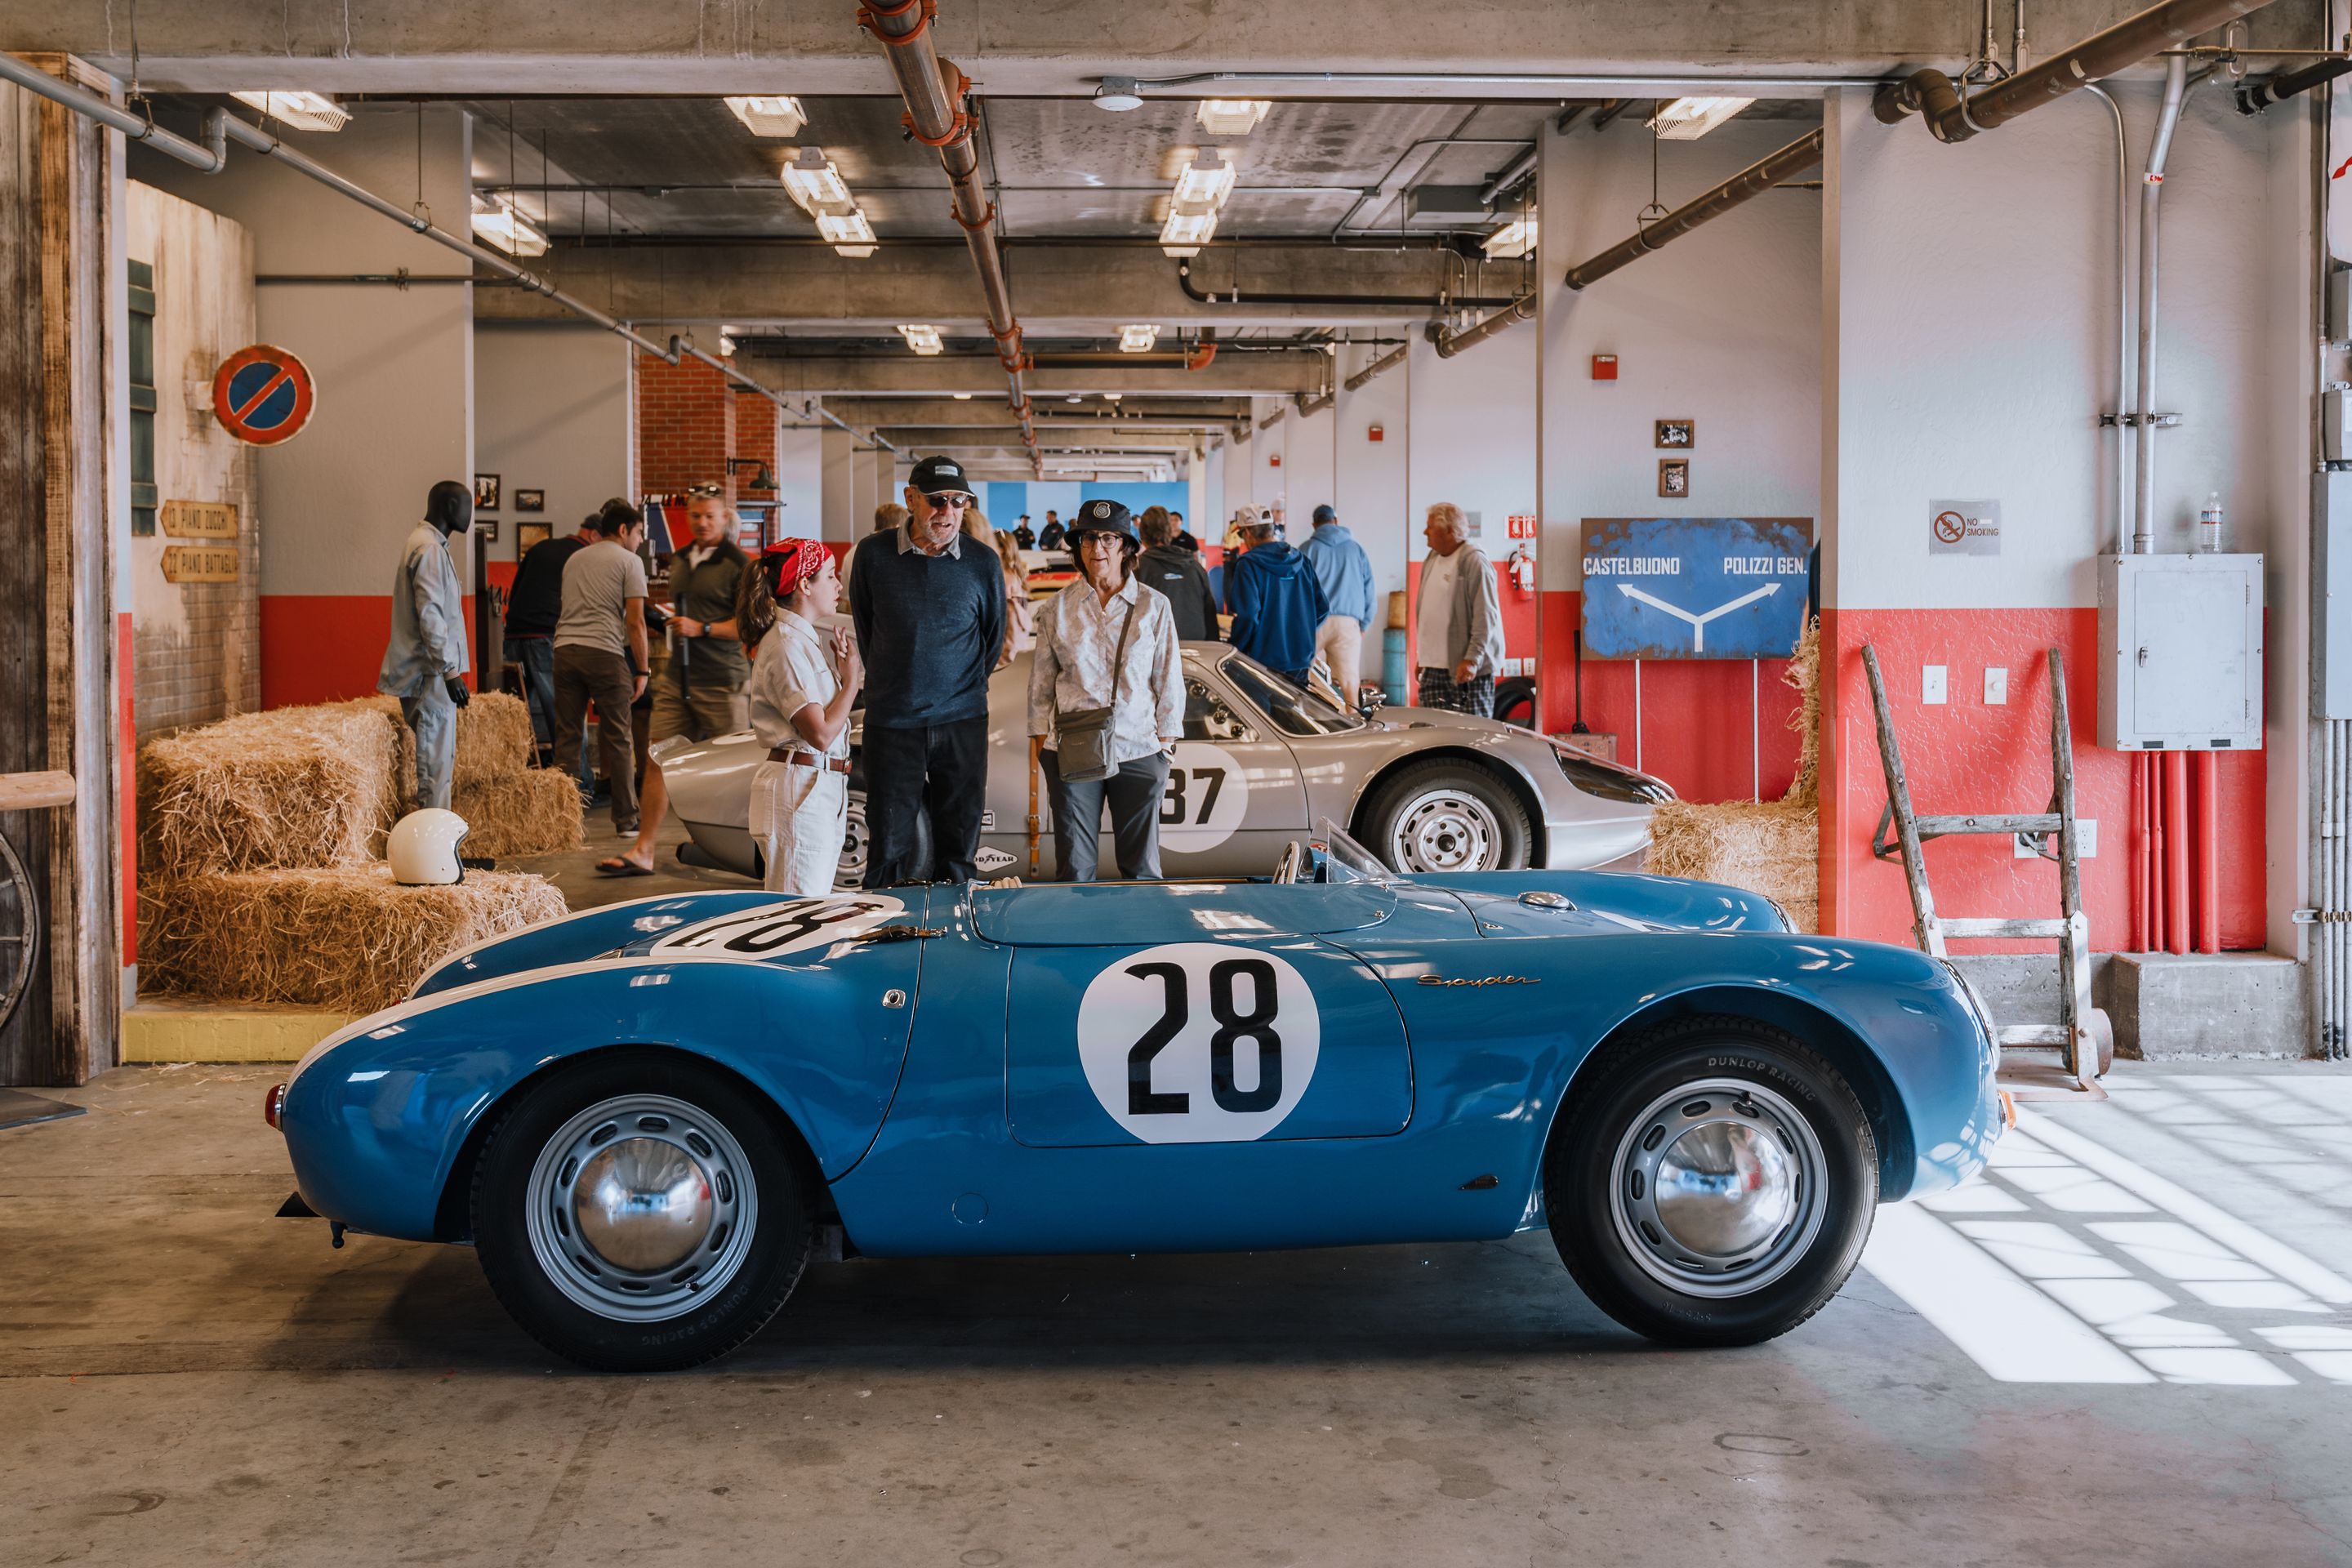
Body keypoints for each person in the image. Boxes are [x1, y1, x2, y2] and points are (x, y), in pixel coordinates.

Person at [848, 454, 1005, 887]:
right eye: (937, 500)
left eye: (958, 501)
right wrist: (898, 684)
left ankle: (958, 926)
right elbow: (867, 629)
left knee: (959, 848)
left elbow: (992, 639)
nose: (947, 511)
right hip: (892, 721)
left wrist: (956, 688)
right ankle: (886, 925)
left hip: (962, 720)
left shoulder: (982, 562)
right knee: (888, 847)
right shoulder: (873, 555)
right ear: (911, 498)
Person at [1028, 499, 1183, 882]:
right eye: (1088, 539)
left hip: (1139, 748)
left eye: (1109, 539)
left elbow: (1168, 677)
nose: (1097, 548)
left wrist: (1165, 747)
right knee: (1075, 870)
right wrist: (1042, 745)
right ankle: (1078, 922)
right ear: (1078, 547)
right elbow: (1041, 685)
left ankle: (1142, 925)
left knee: (1142, 871)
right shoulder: (1056, 609)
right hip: (1073, 749)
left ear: (1126, 547)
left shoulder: (1154, 606)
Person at [609, 484, 751, 875]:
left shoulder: (739, 564)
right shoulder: (682, 559)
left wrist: (701, 628)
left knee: (734, 772)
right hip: (677, 678)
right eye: (696, 515)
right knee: (659, 759)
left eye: (710, 516)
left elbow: (749, 625)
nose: (702, 523)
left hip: (723, 681)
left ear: (724, 517)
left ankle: (744, 854)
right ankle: (643, 850)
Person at [746, 540, 862, 895]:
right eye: (830, 576)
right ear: (804, 585)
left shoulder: (800, 640)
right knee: (798, 911)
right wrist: (851, 681)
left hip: (815, 784)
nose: (838, 585)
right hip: (801, 788)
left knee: (811, 905)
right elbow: (821, 734)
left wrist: (843, 677)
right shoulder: (786, 645)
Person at [552, 502, 651, 844]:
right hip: (604, 654)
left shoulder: (575, 559)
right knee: (618, 737)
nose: (641, 540)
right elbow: (636, 622)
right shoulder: (630, 561)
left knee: (567, 738)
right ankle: (626, 820)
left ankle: (563, 823)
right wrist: (643, 669)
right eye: (639, 533)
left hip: (564, 652)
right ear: (623, 530)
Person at [376, 479, 474, 810]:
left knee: (438, 766)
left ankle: (438, 835)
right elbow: (430, 615)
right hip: (430, 675)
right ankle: (435, 839)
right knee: (435, 768)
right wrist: (450, 671)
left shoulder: (430, 544)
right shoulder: (429, 548)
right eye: (466, 505)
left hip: (432, 673)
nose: (470, 514)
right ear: (450, 507)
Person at [504, 511, 599, 785]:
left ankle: (513, 779)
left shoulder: (541, 547)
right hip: (545, 635)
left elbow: (515, 591)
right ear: (594, 535)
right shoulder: (584, 557)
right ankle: (579, 785)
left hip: (514, 634)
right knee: (564, 713)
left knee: (514, 714)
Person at [1415, 501, 1505, 716]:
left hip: (1467, 669)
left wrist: (1473, 658)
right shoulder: (1432, 559)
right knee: (1431, 731)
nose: (1425, 532)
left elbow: (1486, 615)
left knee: (1473, 731)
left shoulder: (1474, 561)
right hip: (1434, 669)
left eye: (1430, 527)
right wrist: (1425, 657)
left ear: (1449, 531)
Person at [1226, 513, 1328, 686]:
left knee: (1258, 704)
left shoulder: (1248, 564)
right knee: (1295, 704)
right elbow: (1322, 608)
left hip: (1262, 661)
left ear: (1248, 533)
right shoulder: (1302, 560)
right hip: (1300, 658)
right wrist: (1299, 633)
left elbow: (1248, 615)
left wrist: (1236, 647)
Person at [1298, 501, 1377, 702]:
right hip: (1347, 623)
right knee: (1350, 682)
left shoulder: (1307, 549)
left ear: (1314, 525)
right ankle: (1354, 717)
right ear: (1335, 521)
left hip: (1314, 623)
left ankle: (1304, 715)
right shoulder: (1356, 550)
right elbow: (1369, 589)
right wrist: (1364, 624)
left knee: (1303, 676)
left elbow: (1298, 589)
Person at [1136, 505, 1220, 642]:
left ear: (1141, 534)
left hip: (1156, 648)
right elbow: (1210, 613)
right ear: (1170, 533)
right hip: (1197, 648)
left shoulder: (1137, 568)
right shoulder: (1196, 567)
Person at [996, 527, 1036, 667]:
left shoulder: (1005, 576)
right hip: (1016, 645)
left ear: (1004, 549)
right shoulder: (1014, 572)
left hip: (1006, 648)